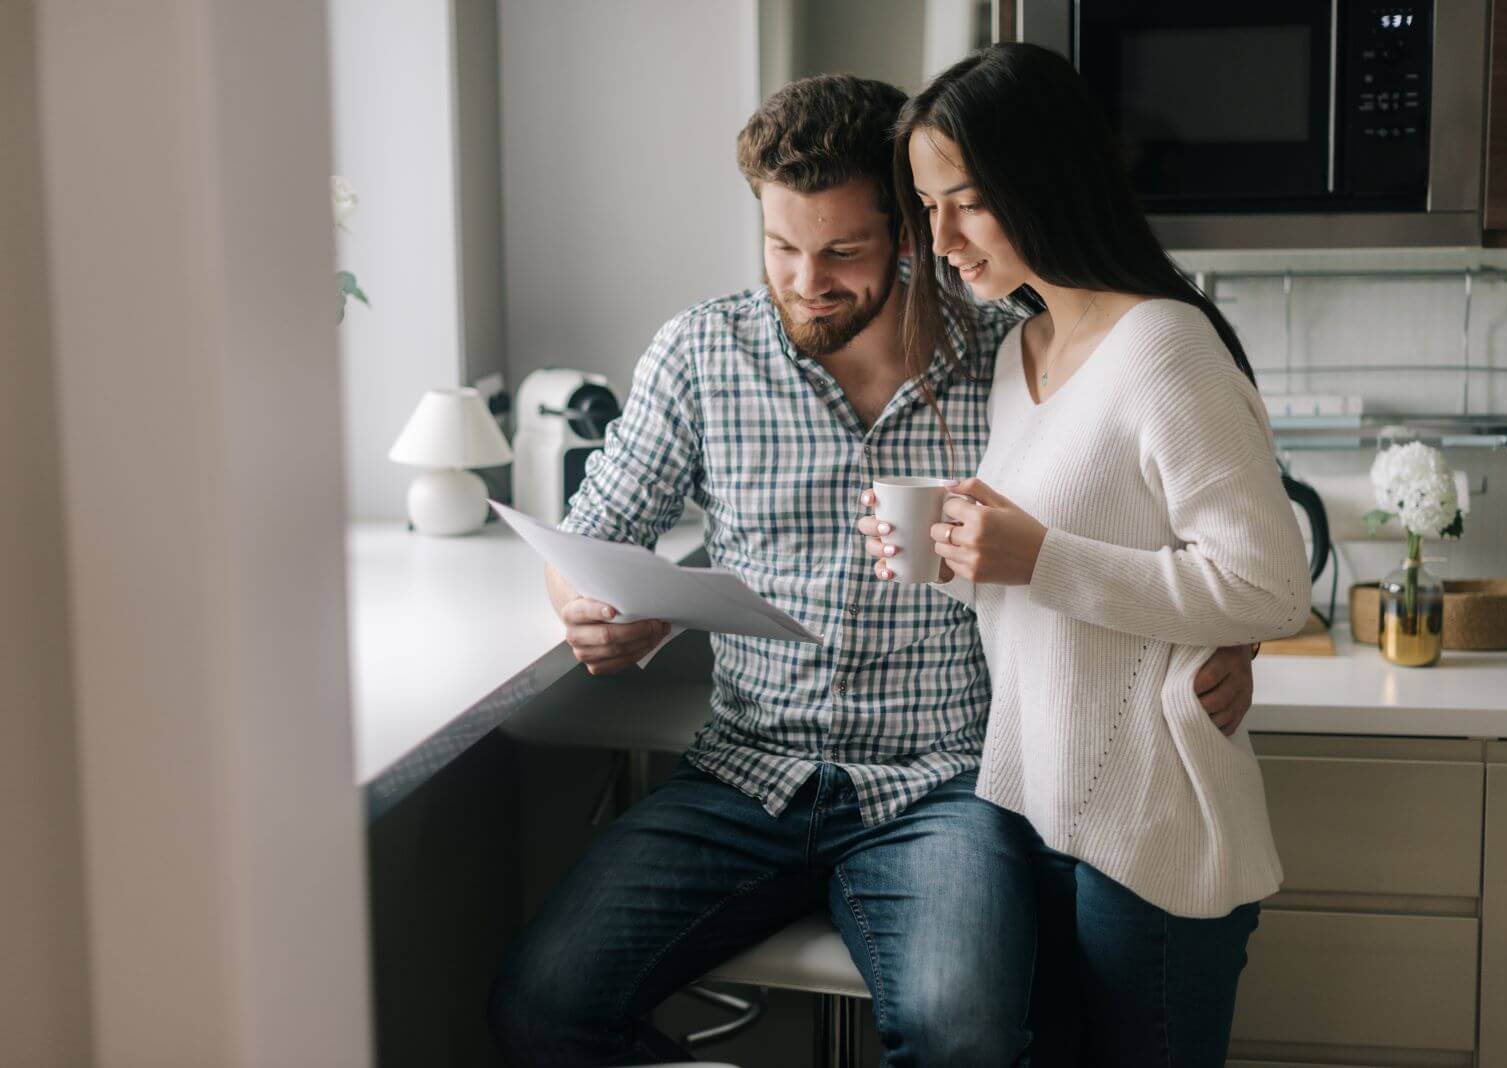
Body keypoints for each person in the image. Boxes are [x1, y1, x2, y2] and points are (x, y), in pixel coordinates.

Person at [489, 72, 1260, 1067]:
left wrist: (1230, 634)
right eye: (781, 247)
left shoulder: (1007, 352)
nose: (808, 281)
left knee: (966, 1038)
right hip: (742, 772)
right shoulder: (701, 352)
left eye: (842, 252)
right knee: (537, 1007)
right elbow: (591, 532)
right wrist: (585, 605)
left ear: (908, 232)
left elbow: (1173, 515)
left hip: (942, 786)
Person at [858, 43, 1312, 1066]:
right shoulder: (1021, 354)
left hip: (1147, 834)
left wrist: (1037, 556)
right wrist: (951, 542)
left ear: (1044, 177)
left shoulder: (1164, 347)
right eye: (927, 208)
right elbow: (1056, 568)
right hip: (1032, 812)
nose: (942, 239)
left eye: (965, 200)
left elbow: (1269, 586)